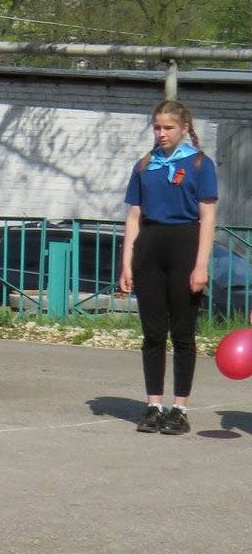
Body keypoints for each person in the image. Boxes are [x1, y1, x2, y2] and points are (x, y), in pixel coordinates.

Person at [117, 99, 218, 436]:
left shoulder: (201, 164)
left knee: (183, 333)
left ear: (185, 127)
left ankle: (180, 408)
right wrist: (127, 263)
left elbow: (207, 217)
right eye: (157, 127)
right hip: (150, 248)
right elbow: (134, 216)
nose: (161, 134)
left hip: (185, 246)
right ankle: (154, 405)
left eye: (168, 127)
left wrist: (201, 265)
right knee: (153, 332)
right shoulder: (145, 166)